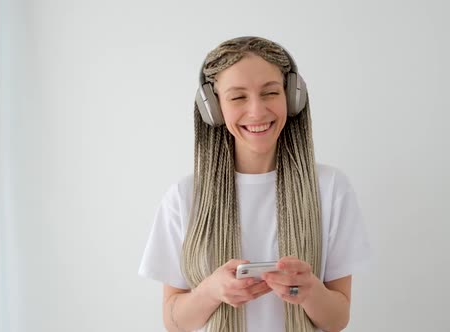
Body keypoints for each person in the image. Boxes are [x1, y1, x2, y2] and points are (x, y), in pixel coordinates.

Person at [139, 36, 371, 332]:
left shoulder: (330, 188)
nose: (257, 111)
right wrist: (212, 291)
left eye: (270, 93)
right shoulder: (184, 198)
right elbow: (173, 321)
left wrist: (309, 290)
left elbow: (338, 319)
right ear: (213, 107)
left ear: (292, 96)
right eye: (238, 97)